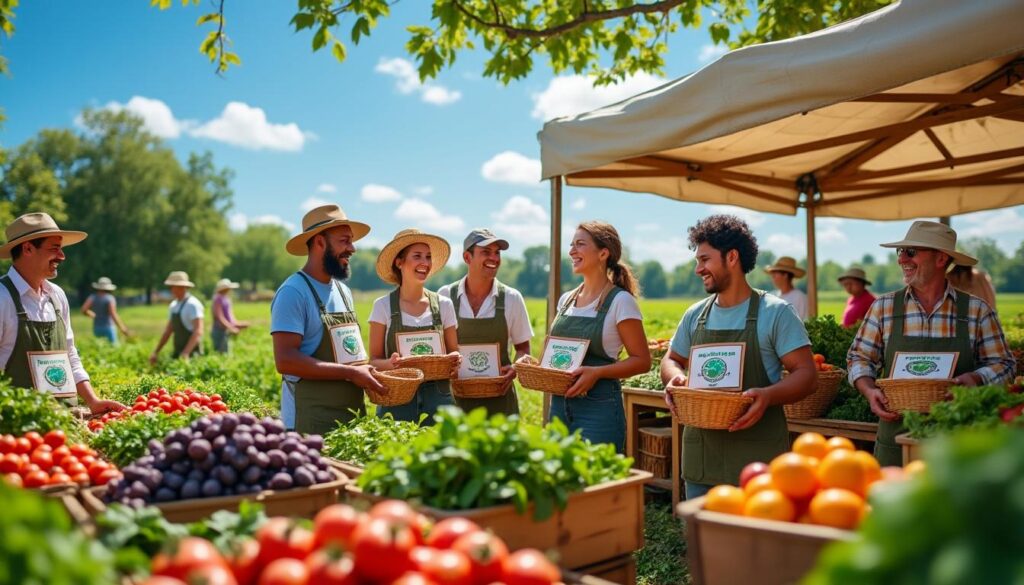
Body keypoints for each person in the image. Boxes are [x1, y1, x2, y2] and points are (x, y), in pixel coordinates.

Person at [660, 215, 816, 499]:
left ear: (732, 257)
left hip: (756, 459)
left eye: (705, 260)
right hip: (702, 457)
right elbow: (670, 359)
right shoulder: (695, 315)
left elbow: (807, 375)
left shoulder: (776, 312)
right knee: (703, 540)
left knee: (757, 541)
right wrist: (675, 378)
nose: (698, 269)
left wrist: (767, 395)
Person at [847, 220, 1016, 466]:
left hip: (957, 441)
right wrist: (869, 390)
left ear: (940, 259)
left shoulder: (977, 311)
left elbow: (1005, 365)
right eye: (900, 252)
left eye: (911, 252)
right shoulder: (883, 308)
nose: (902, 259)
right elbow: (859, 357)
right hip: (896, 438)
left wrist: (976, 379)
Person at [270, 204, 384, 434]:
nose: (352, 248)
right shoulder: (293, 292)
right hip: (309, 421)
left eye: (351, 241)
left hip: (350, 418)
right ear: (320, 242)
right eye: (344, 240)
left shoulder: (344, 292)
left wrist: (374, 369)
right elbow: (285, 360)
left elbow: (349, 354)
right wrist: (350, 373)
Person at [0, 212, 123, 414]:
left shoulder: (56, 296)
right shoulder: (2, 298)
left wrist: (92, 401)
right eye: (54, 249)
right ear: (28, 248)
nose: (62, 256)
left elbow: (70, 354)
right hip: (20, 423)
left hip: (64, 418)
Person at [548, 221, 651, 453]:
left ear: (603, 253)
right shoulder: (566, 300)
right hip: (558, 405)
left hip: (599, 409)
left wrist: (598, 372)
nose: (572, 251)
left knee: (597, 483)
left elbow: (642, 360)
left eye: (580, 244)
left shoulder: (621, 301)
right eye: (572, 245)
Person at [368, 229, 461, 424]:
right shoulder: (382, 306)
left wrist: (454, 362)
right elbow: (374, 361)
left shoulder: (444, 305)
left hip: (439, 402)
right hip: (397, 402)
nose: (425, 263)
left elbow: (454, 357)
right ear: (399, 262)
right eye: (417, 256)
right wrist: (390, 364)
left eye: (428, 257)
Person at [438, 229, 533, 416]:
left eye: (497, 252)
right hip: (454, 403)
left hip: (500, 403)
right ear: (467, 257)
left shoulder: (512, 298)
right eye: (486, 252)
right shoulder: (445, 296)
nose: (494, 258)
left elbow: (523, 349)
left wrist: (515, 368)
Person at [149, 271, 204, 364]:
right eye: (171, 287)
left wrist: (186, 353)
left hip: (192, 354)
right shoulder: (174, 305)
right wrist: (156, 352)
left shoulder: (193, 305)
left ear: (183, 287)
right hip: (178, 352)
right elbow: (168, 331)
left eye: (174, 287)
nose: (172, 290)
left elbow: (198, 331)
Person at [81, 276, 130, 344]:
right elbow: (113, 314)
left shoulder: (93, 297)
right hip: (108, 327)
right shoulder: (109, 298)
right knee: (114, 347)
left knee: (100, 347)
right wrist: (122, 328)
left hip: (97, 328)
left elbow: (84, 309)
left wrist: (92, 314)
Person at [211, 278, 248, 354]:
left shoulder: (227, 299)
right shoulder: (218, 299)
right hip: (220, 331)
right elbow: (219, 317)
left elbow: (230, 317)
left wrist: (237, 324)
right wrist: (231, 328)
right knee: (222, 354)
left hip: (225, 330)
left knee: (227, 352)